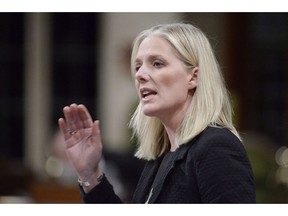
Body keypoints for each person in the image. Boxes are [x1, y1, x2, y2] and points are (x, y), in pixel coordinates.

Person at [58, 23, 256, 203]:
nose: (140, 75)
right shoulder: (161, 157)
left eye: (157, 63)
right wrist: (90, 174)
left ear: (193, 77)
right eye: (138, 66)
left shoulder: (216, 147)